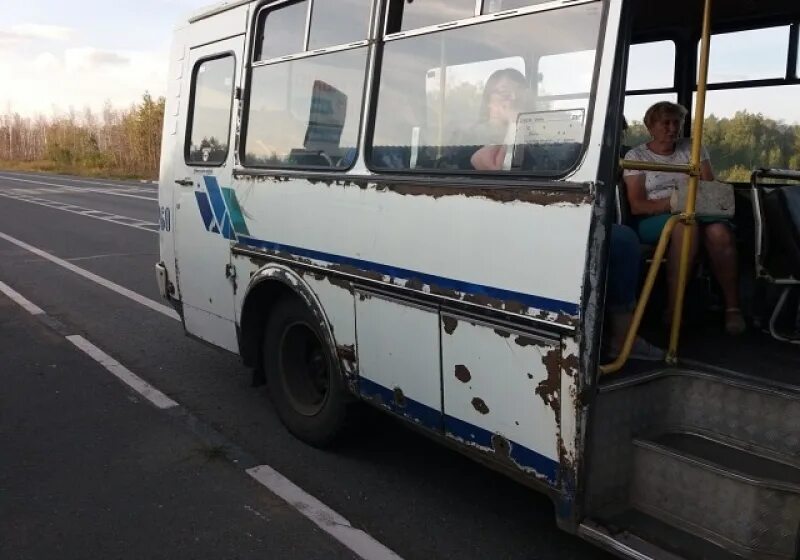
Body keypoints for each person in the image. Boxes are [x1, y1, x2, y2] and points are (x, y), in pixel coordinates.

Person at [623, 101, 745, 335]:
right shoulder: (636, 156)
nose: (672, 128)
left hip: (699, 211)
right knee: (685, 227)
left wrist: (690, 204)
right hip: (657, 217)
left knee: (719, 232)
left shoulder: (693, 148)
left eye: (676, 123)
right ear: (650, 126)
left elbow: (708, 188)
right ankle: (674, 307)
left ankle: (733, 307)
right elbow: (638, 205)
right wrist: (675, 203)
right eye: (665, 123)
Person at [470, 68, 527, 171]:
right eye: (504, 93)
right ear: (488, 100)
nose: (513, 99)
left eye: (519, 95)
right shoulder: (469, 139)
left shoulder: (531, 140)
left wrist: (514, 125)